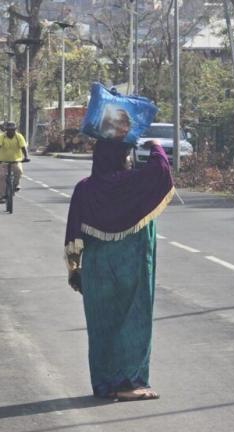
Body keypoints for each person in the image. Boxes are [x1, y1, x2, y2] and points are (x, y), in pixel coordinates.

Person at [64, 139, 174, 401]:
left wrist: (75, 270)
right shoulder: (133, 184)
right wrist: (156, 146)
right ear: (117, 157)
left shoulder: (85, 189)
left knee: (102, 327)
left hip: (97, 271)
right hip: (132, 267)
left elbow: (73, 234)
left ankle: (105, 384)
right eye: (126, 154)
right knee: (133, 322)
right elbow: (160, 170)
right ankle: (129, 383)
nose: (128, 159)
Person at [0, 121, 29, 203]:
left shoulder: (19, 137)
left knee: (19, 171)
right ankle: (2, 196)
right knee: (1, 176)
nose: (11, 131)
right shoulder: (2, 137)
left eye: (12, 130)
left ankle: (16, 184)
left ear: (15, 129)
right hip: (2, 161)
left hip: (16, 160)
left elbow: (23, 147)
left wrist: (26, 157)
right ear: (6, 130)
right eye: (9, 130)